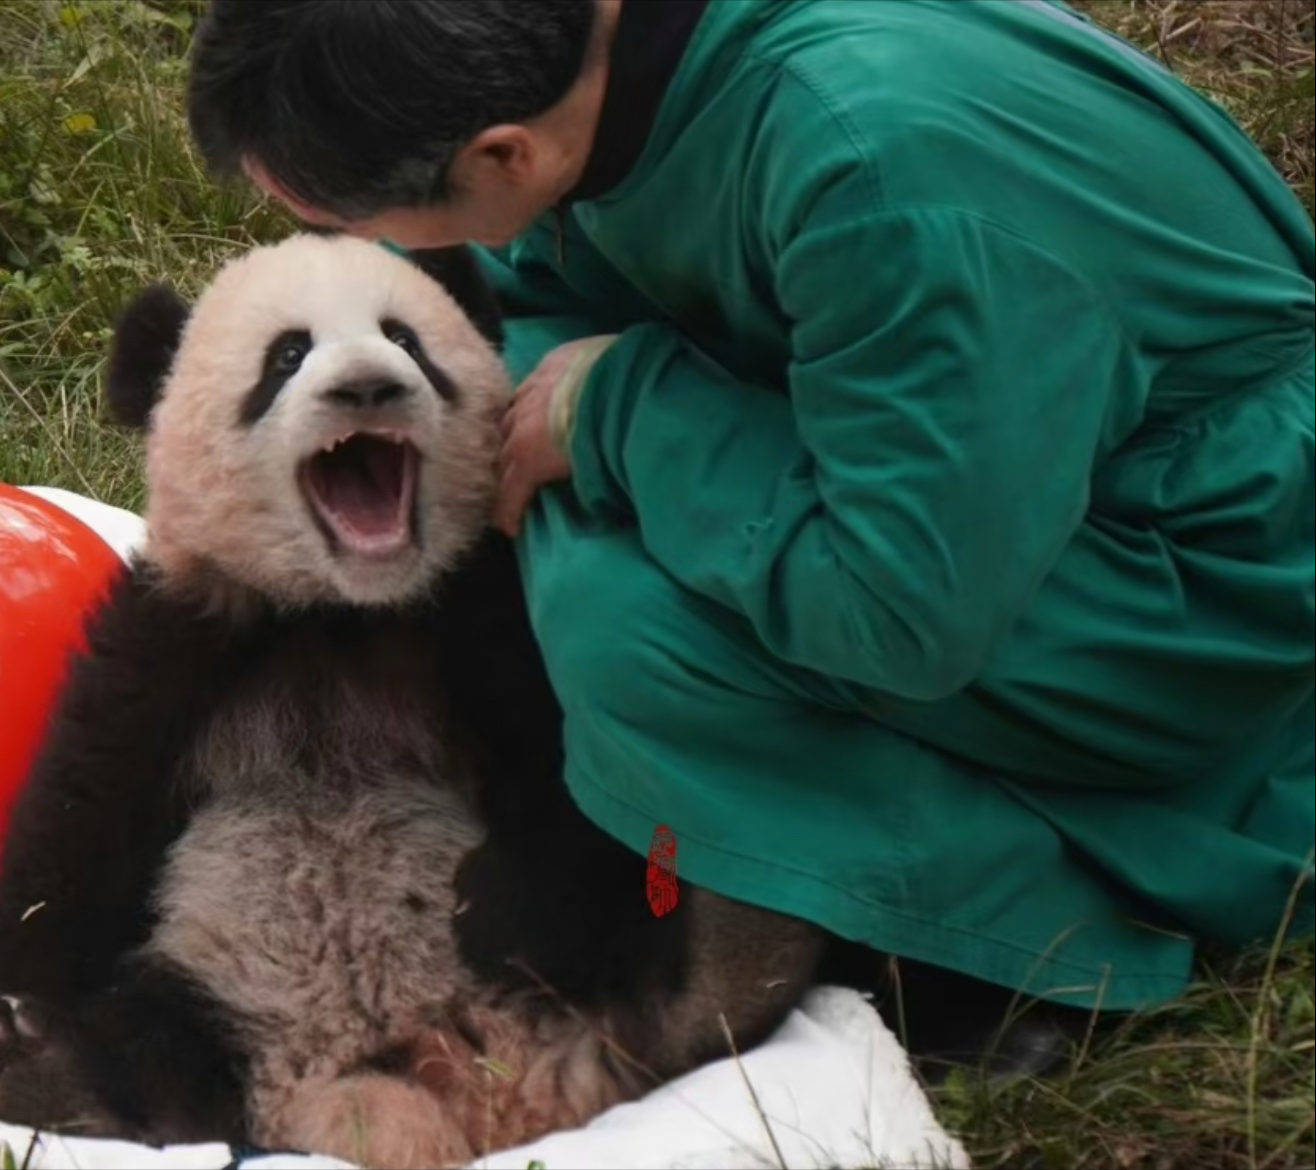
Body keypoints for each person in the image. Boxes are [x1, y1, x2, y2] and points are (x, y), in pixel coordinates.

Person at [182, 0, 1315, 1066]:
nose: (365, 250)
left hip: (1207, 575)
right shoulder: (607, 61)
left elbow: (901, 608)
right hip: (997, 466)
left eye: (362, 222)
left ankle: (992, 941)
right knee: (483, 465)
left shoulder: (876, 175)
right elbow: (509, 285)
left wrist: (617, 408)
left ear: (504, 157)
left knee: (615, 615)